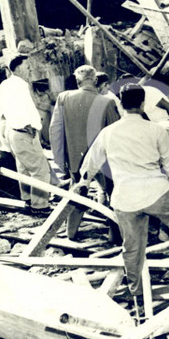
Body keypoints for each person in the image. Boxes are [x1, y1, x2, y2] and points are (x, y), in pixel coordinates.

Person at [76, 84, 169, 308]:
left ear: (120, 104)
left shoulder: (108, 132)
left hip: (125, 198)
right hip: (155, 192)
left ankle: (136, 290)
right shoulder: (156, 130)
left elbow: (91, 162)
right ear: (142, 104)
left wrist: (83, 182)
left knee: (132, 246)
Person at [49, 65, 120, 239]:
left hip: (74, 158)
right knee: (112, 193)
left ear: (77, 81)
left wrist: (60, 159)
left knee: (77, 193)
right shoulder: (107, 102)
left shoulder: (63, 97)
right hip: (103, 160)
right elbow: (115, 134)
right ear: (95, 80)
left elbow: (55, 130)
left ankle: (71, 233)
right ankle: (114, 235)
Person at [0, 55, 51, 213]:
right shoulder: (19, 86)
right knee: (40, 170)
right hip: (23, 132)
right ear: (17, 69)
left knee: (24, 169)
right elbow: (23, 109)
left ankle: (27, 200)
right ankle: (40, 206)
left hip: (13, 132)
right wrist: (26, 124)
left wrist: (13, 118)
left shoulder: (6, 84)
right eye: (27, 67)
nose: (30, 70)